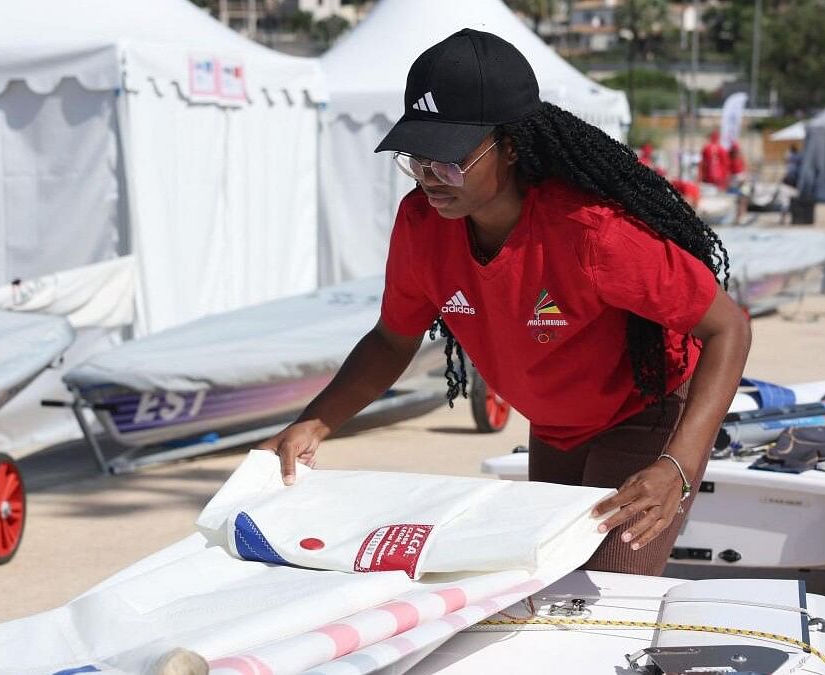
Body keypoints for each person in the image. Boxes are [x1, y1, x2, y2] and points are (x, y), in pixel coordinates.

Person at [260, 29, 751, 576]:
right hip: (554, 427)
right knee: (540, 582)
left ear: (511, 147)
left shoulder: (593, 234)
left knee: (603, 596)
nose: (428, 177)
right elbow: (392, 338)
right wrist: (316, 422)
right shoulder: (421, 226)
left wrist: (676, 465)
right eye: (416, 158)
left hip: (643, 412)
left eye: (449, 161)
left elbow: (728, 328)